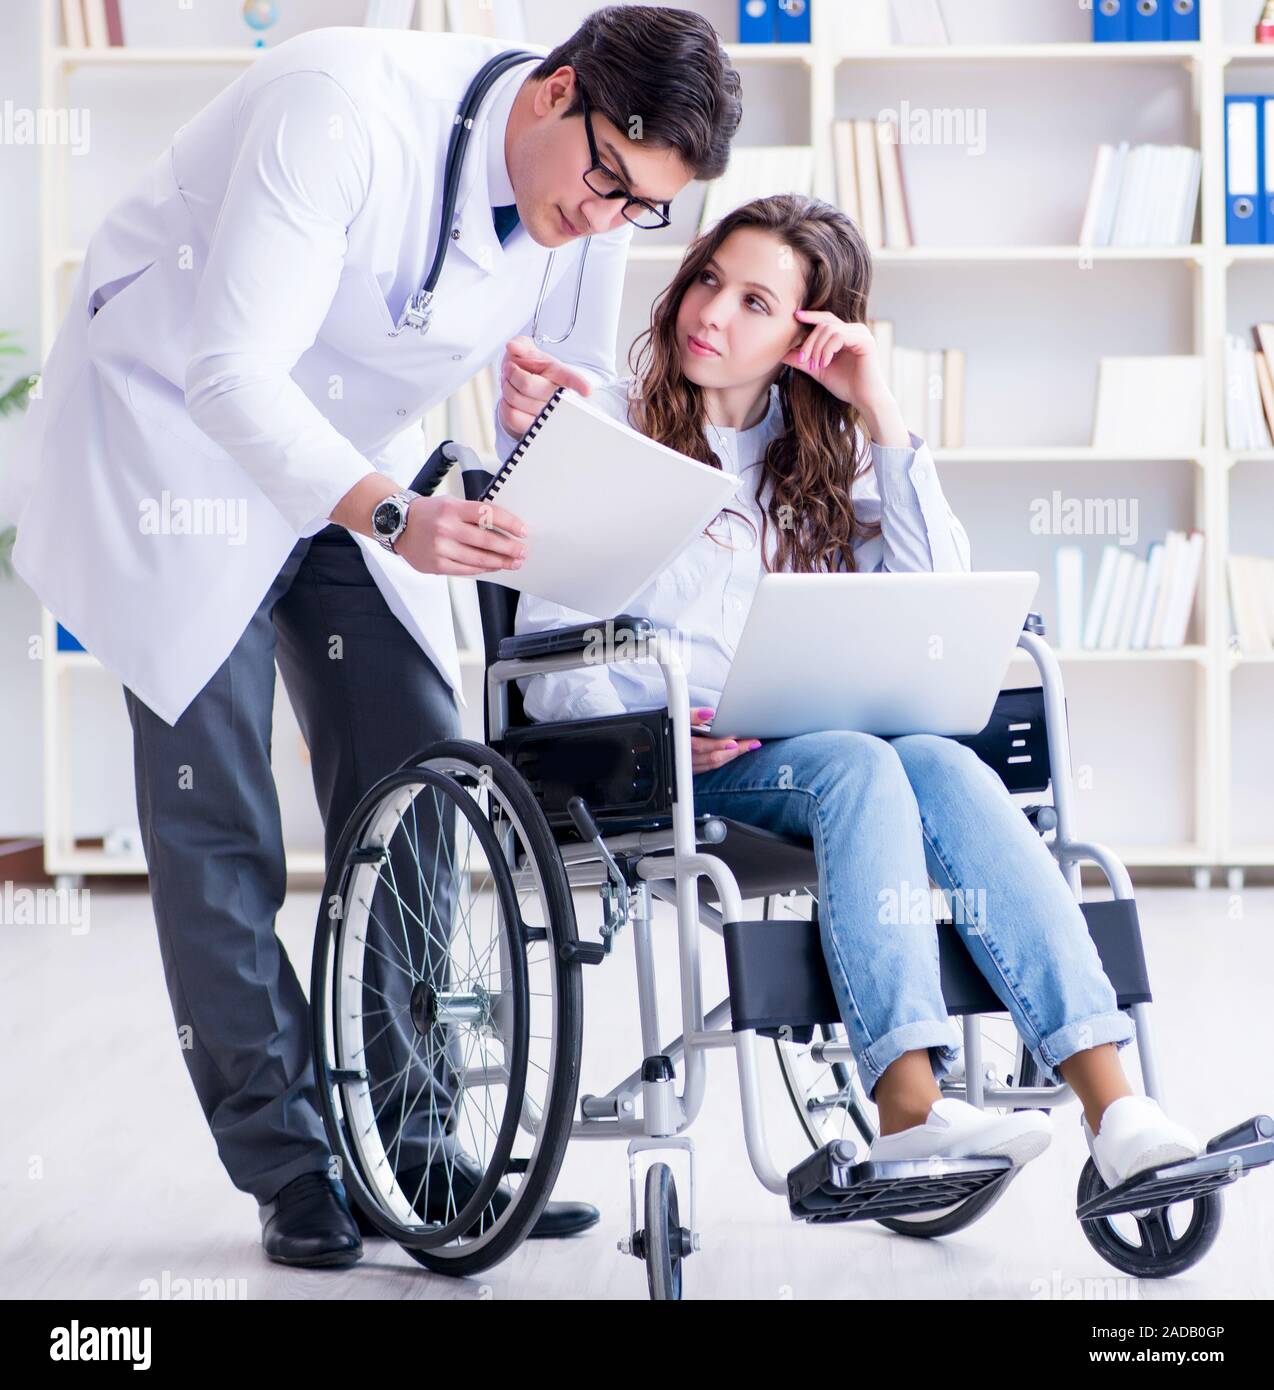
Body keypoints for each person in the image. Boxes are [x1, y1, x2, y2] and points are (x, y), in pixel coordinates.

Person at [7, 7, 742, 1266]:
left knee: (421, 772)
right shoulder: (340, 108)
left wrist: (540, 402)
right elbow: (231, 373)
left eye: (644, 209)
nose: (607, 218)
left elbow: (569, 371)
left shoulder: (598, 203)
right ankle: (291, 1165)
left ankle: (411, 1143)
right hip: (172, 435)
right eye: (606, 181)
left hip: (352, 448)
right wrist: (396, 515)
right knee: (218, 814)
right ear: (555, 91)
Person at [510, 194, 1203, 1189]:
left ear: (805, 334)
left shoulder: (818, 458)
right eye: (708, 279)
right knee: (860, 763)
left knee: (932, 760)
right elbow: (545, 649)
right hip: (657, 765)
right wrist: (655, 728)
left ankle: (1114, 1106)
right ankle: (907, 1107)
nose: (711, 313)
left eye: (756, 301)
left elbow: (936, 602)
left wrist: (879, 411)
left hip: (815, 752)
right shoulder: (605, 427)